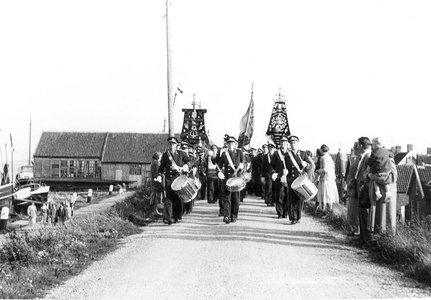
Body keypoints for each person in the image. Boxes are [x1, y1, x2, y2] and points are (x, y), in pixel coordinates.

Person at [366, 137, 397, 234]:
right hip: (378, 193)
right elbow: (367, 172)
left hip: (385, 194)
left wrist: (374, 178)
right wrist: (369, 175)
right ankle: (376, 236)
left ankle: (386, 237)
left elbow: (392, 178)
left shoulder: (390, 160)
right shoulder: (385, 154)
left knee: (385, 215)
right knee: (377, 216)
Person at [157, 136, 191, 225]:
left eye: (173, 144)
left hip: (178, 179)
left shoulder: (181, 154)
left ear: (176, 145)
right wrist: (160, 175)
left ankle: (176, 217)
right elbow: (161, 168)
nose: (171, 146)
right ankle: (167, 218)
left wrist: (187, 166)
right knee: (168, 198)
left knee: (177, 198)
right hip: (169, 179)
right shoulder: (165, 155)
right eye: (170, 144)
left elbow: (190, 161)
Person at [282, 135, 314, 224]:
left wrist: (306, 165)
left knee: (300, 198)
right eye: (291, 143)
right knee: (291, 197)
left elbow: (311, 165)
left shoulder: (303, 154)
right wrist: (284, 171)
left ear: (297, 144)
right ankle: (293, 217)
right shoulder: (286, 155)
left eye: (294, 143)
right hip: (291, 179)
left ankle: (298, 217)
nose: (293, 145)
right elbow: (283, 166)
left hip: (300, 179)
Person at [217, 136, 244, 224]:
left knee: (235, 198)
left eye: (232, 144)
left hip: (236, 179)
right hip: (228, 179)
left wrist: (242, 166)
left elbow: (244, 163)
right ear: (227, 145)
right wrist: (219, 173)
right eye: (229, 144)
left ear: (235, 145)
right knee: (227, 197)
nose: (231, 146)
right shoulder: (225, 154)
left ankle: (233, 216)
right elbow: (219, 165)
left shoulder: (239, 152)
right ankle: (226, 216)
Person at [354, 137, 373, 242]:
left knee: (365, 211)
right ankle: (362, 236)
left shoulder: (369, 156)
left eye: (358, 144)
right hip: (361, 187)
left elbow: (367, 172)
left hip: (365, 188)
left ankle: (365, 238)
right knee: (361, 210)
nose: (357, 146)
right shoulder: (363, 156)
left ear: (361, 145)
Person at [270, 136, 292, 219]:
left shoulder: (290, 153)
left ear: (287, 144)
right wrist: (273, 173)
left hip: (288, 177)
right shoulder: (276, 153)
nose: (283, 144)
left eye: (285, 142)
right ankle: (279, 212)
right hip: (279, 176)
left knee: (287, 194)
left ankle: (285, 212)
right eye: (281, 142)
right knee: (279, 194)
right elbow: (271, 165)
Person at [367, 137, 394, 203]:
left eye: (372, 145)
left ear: (374, 145)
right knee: (385, 182)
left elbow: (370, 162)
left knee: (374, 180)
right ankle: (388, 192)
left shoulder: (374, 153)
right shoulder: (387, 151)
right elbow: (392, 155)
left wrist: (369, 166)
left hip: (377, 171)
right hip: (386, 171)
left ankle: (377, 193)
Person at [315, 144, 339, 214]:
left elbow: (325, 170)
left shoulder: (324, 158)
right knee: (329, 195)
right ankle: (329, 211)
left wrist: (317, 171)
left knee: (325, 195)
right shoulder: (329, 157)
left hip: (325, 179)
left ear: (322, 150)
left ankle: (325, 211)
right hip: (330, 179)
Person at [345, 141, 361, 236]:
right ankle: (353, 229)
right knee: (352, 210)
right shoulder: (355, 159)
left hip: (354, 188)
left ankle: (357, 230)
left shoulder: (359, 159)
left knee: (355, 210)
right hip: (351, 188)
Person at [261, 142, 276, 206]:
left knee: (274, 187)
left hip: (275, 174)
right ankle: (268, 201)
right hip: (268, 174)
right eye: (269, 148)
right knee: (269, 187)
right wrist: (262, 175)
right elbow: (263, 166)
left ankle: (273, 201)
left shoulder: (276, 155)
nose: (270, 150)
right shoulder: (265, 156)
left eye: (271, 148)